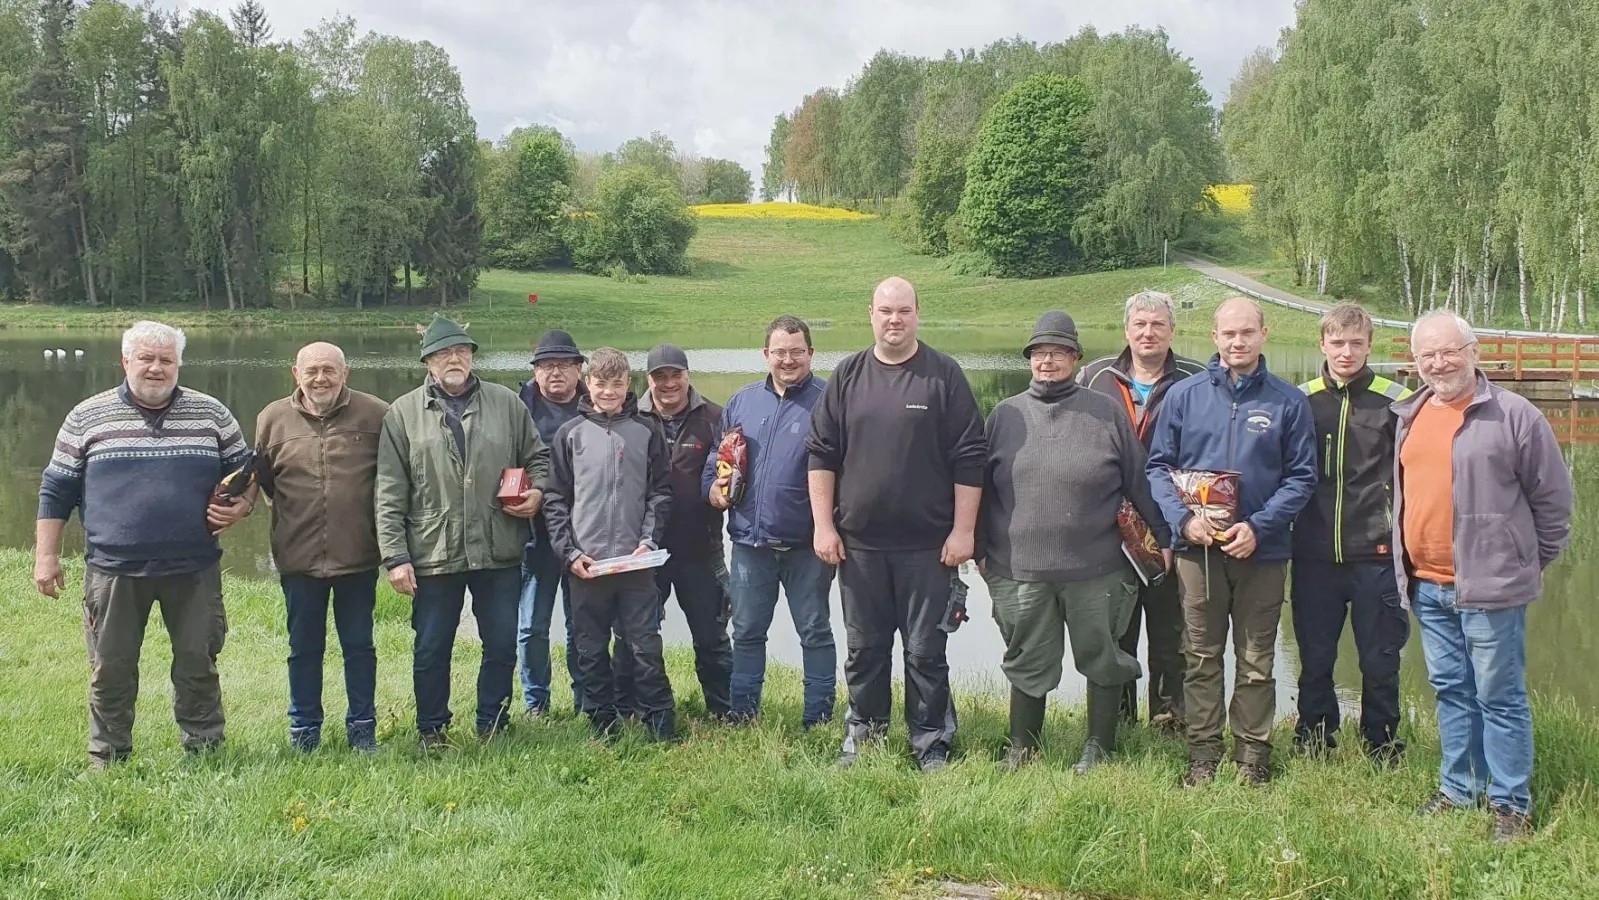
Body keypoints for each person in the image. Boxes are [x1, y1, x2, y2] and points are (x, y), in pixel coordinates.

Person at [35, 321, 253, 768]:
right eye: (146, 359)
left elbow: (246, 474)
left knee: (198, 663)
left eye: (166, 360)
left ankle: (206, 750)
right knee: (110, 669)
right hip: (113, 568)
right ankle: (108, 756)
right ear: (125, 362)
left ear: (178, 364)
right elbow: (55, 489)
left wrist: (242, 507)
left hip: (193, 567)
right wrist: (46, 555)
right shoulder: (85, 416)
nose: (156, 368)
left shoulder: (211, 413)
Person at [1394, 311, 1571, 842]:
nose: (1439, 363)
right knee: (1451, 691)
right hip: (1427, 584)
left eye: (1449, 351)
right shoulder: (1410, 413)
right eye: (1428, 354)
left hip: (1491, 590)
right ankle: (1458, 788)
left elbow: (1554, 504)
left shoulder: (1514, 415)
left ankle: (1511, 803)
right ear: (1416, 361)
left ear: (1473, 352)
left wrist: (1522, 562)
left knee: (1500, 695)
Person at [807, 276, 987, 772]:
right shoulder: (847, 376)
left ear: (916, 314)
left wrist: (964, 532)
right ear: (870, 314)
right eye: (886, 310)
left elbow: (970, 457)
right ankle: (864, 736)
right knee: (864, 650)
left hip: (928, 548)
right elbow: (821, 454)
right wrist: (824, 526)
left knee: (926, 651)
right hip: (859, 547)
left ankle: (931, 742)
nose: (894, 320)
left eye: (903, 311)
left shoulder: (943, 375)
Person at [981, 312, 1173, 774]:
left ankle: (1099, 748)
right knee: (1026, 659)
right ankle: (1022, 750)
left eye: (1059, 353)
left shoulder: (1104, 412)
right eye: (1039, 353)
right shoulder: (1003, 415)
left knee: (1103, 657)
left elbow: (1139, 481)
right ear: (1029, 359)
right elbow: (980, 490)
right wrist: (978, 551)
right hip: (1020, 569)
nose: (1048, 361)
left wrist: (1163, 537)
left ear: (1076, 358)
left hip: (1098, 568)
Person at [1147, 296, 1317, 787]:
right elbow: (1159, 467)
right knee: (1199, 655)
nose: (1237, 342)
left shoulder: (1289, 401)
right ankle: (1203, 754)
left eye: (1247, 332)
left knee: (1257, 658)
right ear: (1214, 337)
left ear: (1264, 334)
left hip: (1261, 552)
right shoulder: (1184, 395)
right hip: (1196, 551)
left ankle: (1253, 756)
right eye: (1228, 334)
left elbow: (1302, 478)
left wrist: (1259, 527)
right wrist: (1182, 522)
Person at [375, 315, 549, 749]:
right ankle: (431, 729)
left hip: (498, 548)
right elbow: (389, 490)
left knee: (502, 643)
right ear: (427, 362)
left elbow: (538, 459)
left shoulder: (507, 403)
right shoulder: (403, 413)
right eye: (443, 353)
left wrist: (538, 493)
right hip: (434, 551)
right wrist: (395, 557)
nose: (454, 359)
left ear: (472, 357)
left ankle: (493, 722)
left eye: (462, 351)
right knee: (432, 647)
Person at [1291, 304, 1412, 765]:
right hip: (1314, 555)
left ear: (1369, 346)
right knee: (1316, 657)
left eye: (1356, 343)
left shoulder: (1396, 401)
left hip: (1376, 555)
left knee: (1380, 660)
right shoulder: (1300, 400)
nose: (1346, 352)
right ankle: (1315, 740)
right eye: (1337, 342)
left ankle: (1382, 745)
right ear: (1322, 344)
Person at [1078, 290, 1204, 730]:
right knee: (1116, 629)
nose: (1148, 333)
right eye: (1140, 324)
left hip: (1175, 523)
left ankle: (1169, 719)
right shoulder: (1094, 377)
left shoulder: (1197, 377)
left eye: (1158, 325)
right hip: (1110, 530)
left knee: (1172, 630)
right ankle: (1120, 719)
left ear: (1173, 330)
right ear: (1126, 330)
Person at [255, 342, 389, 753]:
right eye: (311, 370)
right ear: (295, 373)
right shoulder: (272, 418)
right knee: (303, 648)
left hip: (358, 556)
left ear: (345, 373)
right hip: (298, 557)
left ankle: (362, 731)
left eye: (329, 370)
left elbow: (393, 481)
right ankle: (304, 731)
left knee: (359, 646)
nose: (320, 379)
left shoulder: (377, 414)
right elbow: (264, 483)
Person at [705, 315, 836, 727]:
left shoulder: (830, 401)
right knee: (745, 632)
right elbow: (718, 458)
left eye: (797, 352)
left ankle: (817, 717)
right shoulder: (742, 401)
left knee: (814, 632)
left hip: (808, 546)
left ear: (811, 354)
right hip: (749, 545)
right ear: (766, 354)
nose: (788, 360)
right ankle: (743, 715)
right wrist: (713, 488)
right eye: (779, 352)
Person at [544, 348, 678, 741]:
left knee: (645, 646)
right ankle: (603, 724)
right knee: (590, 649)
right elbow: (555, 500)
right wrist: (569, 554)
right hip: (586, 566)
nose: (608, 391)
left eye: (616, 384)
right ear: (588, 384)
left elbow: (660, 494)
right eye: (601, 383)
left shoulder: (647, 429)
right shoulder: (569, 434)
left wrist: (648, 541)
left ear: (628, 386)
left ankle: (660, 722)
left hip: (636, 564)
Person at [640, 343, 734, 720]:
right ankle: (647, 710)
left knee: (712, 639)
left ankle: (724, 712)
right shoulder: (632, 418)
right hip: (644, 552)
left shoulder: (715, 417)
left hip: (701, 548)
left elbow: (731, 474)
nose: (668, 384)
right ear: (648, 380)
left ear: (687, 375)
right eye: (660, 377)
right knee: (640, 638)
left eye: (675, 375)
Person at [516, 329, 591, 718]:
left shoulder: (598, 406)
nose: (555, 373)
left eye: (564, 365)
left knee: (581, 623)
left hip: (584, 534)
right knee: (532, 624)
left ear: (580, 370)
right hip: (535, 534)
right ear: (535, 372)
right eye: (546, 366)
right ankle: (536, 702)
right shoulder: (518, 407)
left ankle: (584, 697)